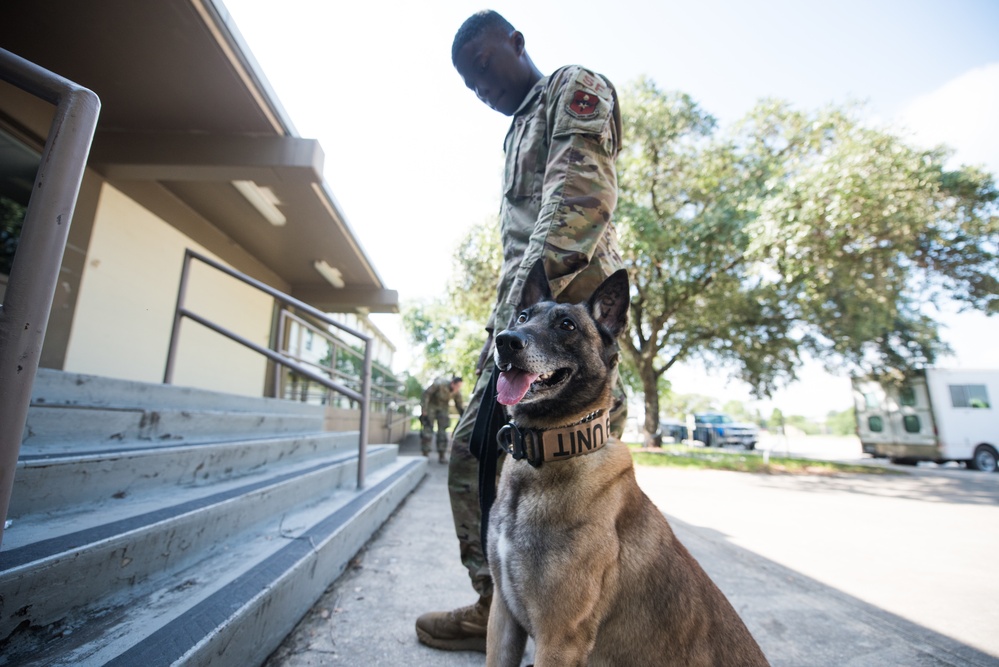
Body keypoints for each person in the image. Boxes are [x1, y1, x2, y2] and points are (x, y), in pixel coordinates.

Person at [415, 10, 626, 653]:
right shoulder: (515, 133)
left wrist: (516, 318)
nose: (480, 88)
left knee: (581, 479)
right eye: (469, 84)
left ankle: (584, 621)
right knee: (480, 457)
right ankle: (497, 604)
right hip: (523, 324)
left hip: (569, 331)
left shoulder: (572, 87)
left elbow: (576, 204)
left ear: (516, 43)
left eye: (483, 67)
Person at [420, 375, 465, 462]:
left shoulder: (456, 392)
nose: (458, 388)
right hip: (431, 406)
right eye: (457, 386)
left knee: (442, 431)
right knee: (428, 429)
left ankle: (442, 455)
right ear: (453, 383)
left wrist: (464, 416)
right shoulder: (440, 384)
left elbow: (459, 405)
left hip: (443, 408)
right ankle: (425, 454)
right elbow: (426, 393)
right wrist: (424, 409)